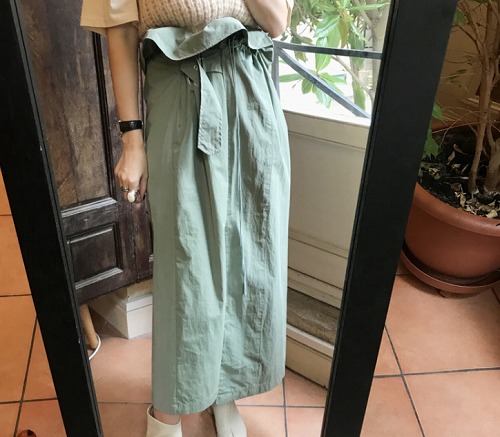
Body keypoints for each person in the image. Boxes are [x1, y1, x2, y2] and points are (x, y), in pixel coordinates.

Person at [81, 1, 293, 435]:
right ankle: (168, 412)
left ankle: (223, 390)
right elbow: (120, 29)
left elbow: (277, 21)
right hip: (177, 84)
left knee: (247, 253)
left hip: (250, 85)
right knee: (186, 264)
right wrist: (132, 140)